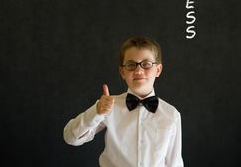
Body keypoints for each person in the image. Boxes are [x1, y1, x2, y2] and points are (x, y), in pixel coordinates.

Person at [63, 36, 184, 167]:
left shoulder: (171, 114)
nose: (138, 70)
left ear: (158, 70)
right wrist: (96, 112)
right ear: (122, 72)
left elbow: (174, 163)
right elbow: (70, 138)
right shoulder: (108, 106)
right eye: (131, 65)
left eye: (146, 64)